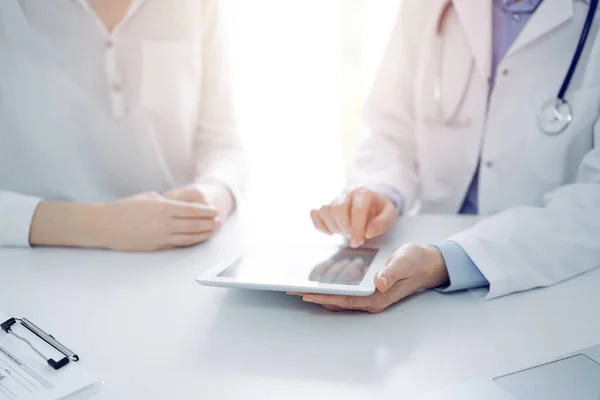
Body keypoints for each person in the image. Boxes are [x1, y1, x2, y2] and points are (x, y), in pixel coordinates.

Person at [297, 0, 600, 313]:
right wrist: (379, 191)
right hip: (412, 265)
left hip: (551, 282)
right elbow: (391, 130)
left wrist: (446, 261)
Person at [0, 0, 244, 251]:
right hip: (31, 266)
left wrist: (213, 195)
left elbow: (221, 141)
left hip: (177, 258)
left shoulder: (196, 6)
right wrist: (97, 225)